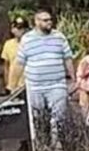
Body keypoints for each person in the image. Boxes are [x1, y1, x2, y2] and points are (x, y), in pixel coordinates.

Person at [17, 9, 75, 139]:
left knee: (58, 118)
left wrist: (73, 78)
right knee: (38, 119)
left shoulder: (59, 37)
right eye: (45, 20)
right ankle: (42, 147)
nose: (49, 22)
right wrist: (14, 84)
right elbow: (20, 63)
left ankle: (57, 148)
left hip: (57, 84)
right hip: (35, 86)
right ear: (37, 22)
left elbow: (68, 58)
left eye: (50, 20)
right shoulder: (27, 39)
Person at [0, 17, 29, 93]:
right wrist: (7, 83)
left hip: (28, 84)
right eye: (17, 28)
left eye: (22, 28)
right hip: (13, 85)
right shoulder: (8, 44)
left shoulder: (31, 44)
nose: (20, 31)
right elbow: (6, 65)